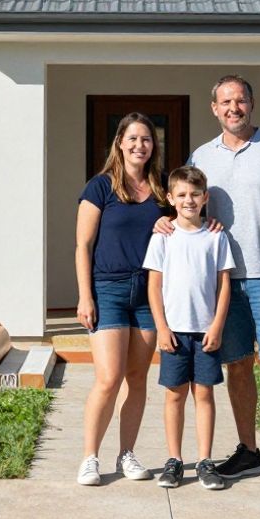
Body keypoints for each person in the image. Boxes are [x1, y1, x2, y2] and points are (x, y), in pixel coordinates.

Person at [155, 74, 260, 492]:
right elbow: (186, 204)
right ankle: (247, 449)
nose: (233, 108)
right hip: (222, 282)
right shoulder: (201, 155)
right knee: (238, 365)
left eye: (240, 100)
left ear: (251, 104)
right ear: (214, 108)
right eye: (225, 102)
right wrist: (164, 221)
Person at [74, 112, 169, 486]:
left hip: (148, 292)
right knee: (108, 378)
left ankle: (126, 453)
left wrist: (170, 224)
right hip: (108, 289)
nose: (139, 145)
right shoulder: (100, 187)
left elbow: (184, 226)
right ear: (119, 143)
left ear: (153, 146)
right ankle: (89, 457)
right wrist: (85, 296)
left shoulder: (162, 189)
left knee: (137, 378)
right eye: (132, 138)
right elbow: (83, 246)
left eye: (146, 139)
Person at [143, 165, 235, 490]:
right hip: (174, 332)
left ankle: (206, 461)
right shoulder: (163, 238)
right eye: (181, 194)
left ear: (205, 197)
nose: (189, 200)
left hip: (206, 330)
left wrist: (218, 326)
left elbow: (224, 285)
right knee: (174, 396)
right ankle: (175, 461)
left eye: (195, 194)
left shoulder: (215, 236)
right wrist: (162, 327)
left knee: (205, 394)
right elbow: (154, 287)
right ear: (170, 198)